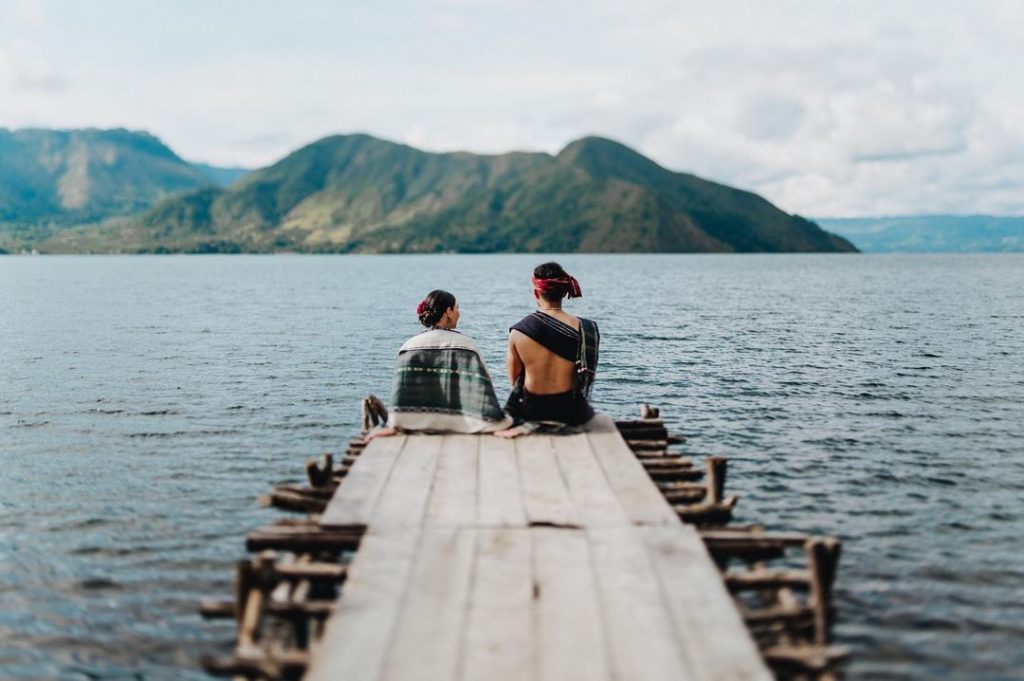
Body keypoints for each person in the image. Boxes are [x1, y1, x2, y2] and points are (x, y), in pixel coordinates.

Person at [371, 290, 512, 437]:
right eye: (457, 308)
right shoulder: (467, 346)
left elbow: (400, 394)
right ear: (448, 311)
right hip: (464, 424)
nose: (459, 312)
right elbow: (483, 389)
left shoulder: (408, 346)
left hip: (412, 422)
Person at [497, 262, 600, 437]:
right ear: (566, 292)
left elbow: (515, 380)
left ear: (536, 292)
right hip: (571, 413)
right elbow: (584, 377)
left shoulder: (518, 331)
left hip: (532, 411)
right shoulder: (587, 329)